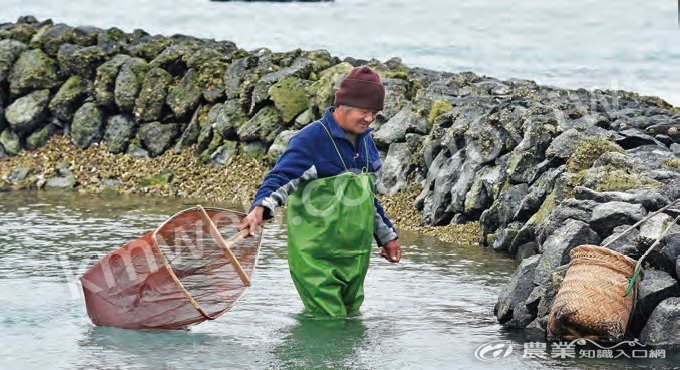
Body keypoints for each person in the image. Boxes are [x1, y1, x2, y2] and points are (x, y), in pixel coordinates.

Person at [239, 65, 402, 317]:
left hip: (355, 258)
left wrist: (387, 236)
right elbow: (282, 177)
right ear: (342, 106)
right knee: (327, 321)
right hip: (316, 256)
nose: (370, 119)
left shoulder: (366, 141)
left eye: (375, 113)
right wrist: (260, 209)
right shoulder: (311, 139)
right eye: (364, 112)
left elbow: (368, 197)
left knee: (350, 321)